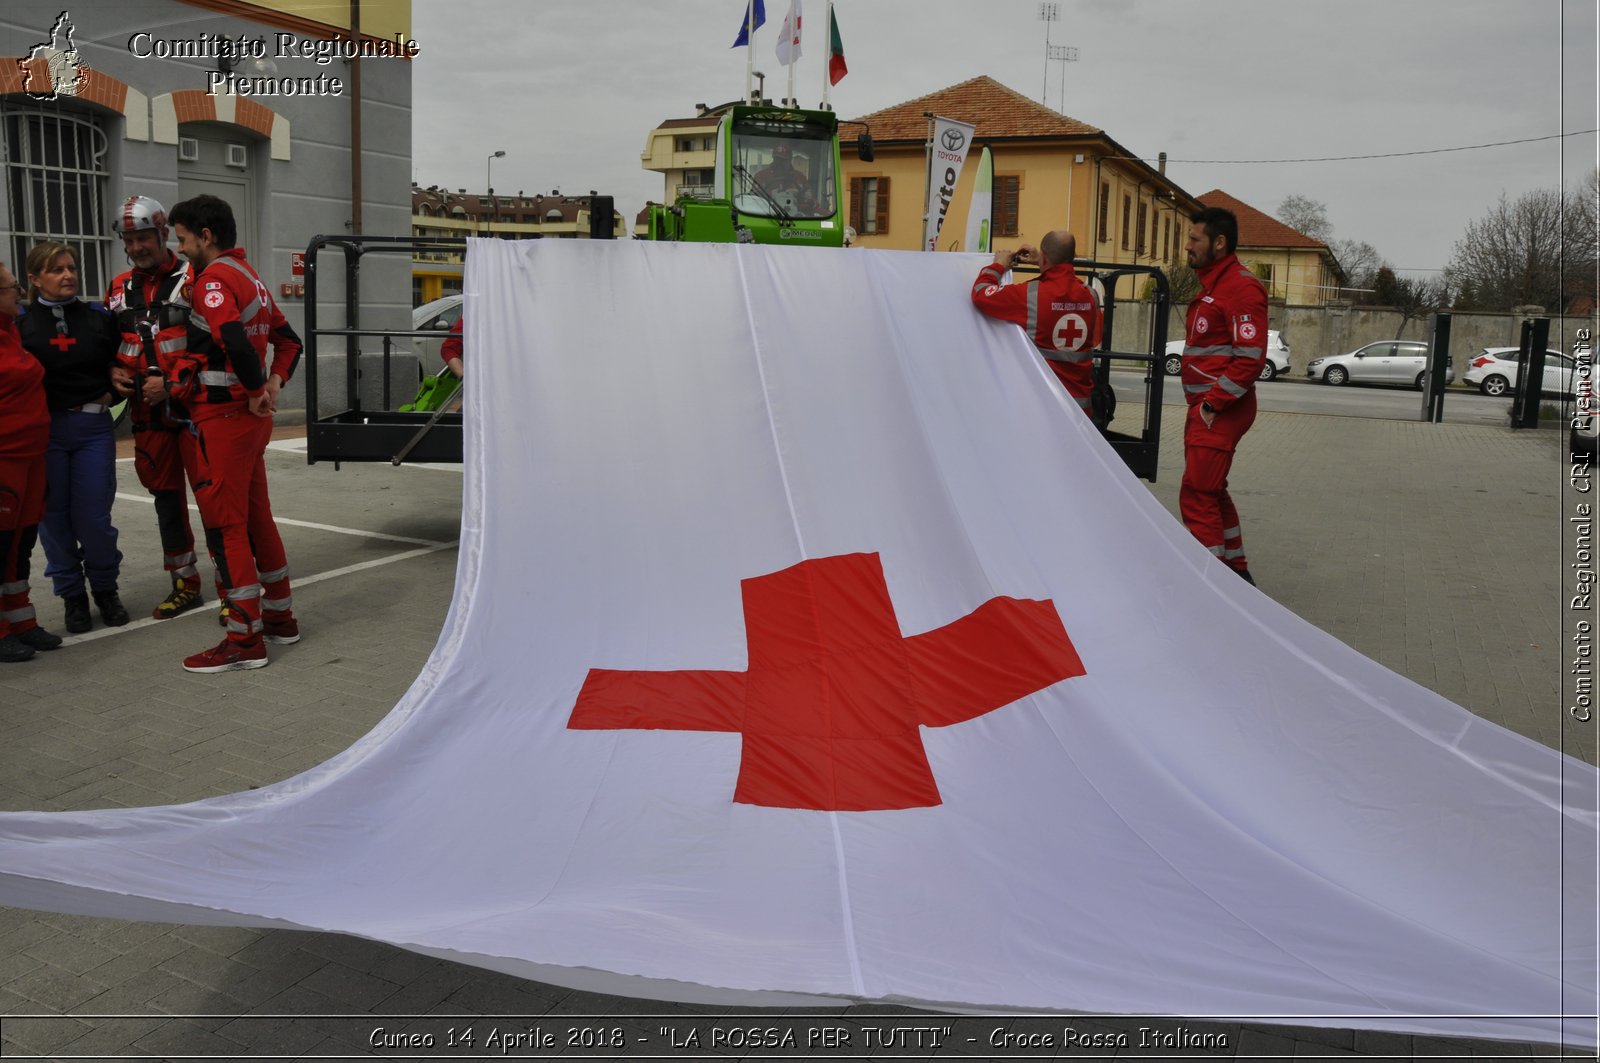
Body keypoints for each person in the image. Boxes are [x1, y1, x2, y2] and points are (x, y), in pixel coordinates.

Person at [165, 194, 302, 672]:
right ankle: (280, 617)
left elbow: (233, 339)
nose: (179, 249)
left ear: (206, 236)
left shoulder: (217, 280)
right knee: (257, 516)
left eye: (182, 239)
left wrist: (254, 388)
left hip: (223, 419)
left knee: (229, 525)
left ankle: (244, 640)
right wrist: (272, 384)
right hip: (247, 422)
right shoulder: (251, 277)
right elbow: (290, 341)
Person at [16, 242, 127, 633]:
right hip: (45, 432)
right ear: (34, 279)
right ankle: (72, 596)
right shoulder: (21, 322)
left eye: (71, 267)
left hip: (93, 428)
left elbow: (122, 360)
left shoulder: (99, 317)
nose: (68, 275)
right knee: (54, 519)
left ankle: (105, 589)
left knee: (94, 518)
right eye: (57, 270)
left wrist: (116, 379)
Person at [106, 195, 207, 620]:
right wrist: (112, 372)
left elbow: (211, 345)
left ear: (163, 234)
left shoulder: (195, 276)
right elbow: (111, 345)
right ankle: (184, 583)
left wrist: (172, 382)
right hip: (148, 418)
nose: (135, 248)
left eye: (143, 238)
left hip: (194, 410)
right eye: (129, 240)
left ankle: (235, 584)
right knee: (166, 502)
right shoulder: (118, 287)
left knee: (214, 499)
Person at [1178, 206, 1268, 585]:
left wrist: (1213, 404)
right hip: (1209, 408)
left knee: (1197, 496)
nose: (1187, 246)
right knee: (1212, 492)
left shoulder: (1241, 287)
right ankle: (1236, 572)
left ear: (1219, 242)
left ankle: (1211, 585)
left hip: (1219, 410)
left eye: (1194, 239)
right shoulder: (1215, 285)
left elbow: (1250, 358)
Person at [0, 260, 63, 662]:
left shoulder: (11, 333)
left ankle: (21, 620)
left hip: (31, 455)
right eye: (11, 288)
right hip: (4, 457)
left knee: (20, 544)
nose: (19, 293)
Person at [970, 230, 1103, 419]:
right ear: (1072, 257)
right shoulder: (1091, 296)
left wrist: (998, 265)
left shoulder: (1031, 295)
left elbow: (980, 293)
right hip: (1080, 409)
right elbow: (1096, 337)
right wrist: (1044, 261)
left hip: (1044, 406)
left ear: (1045, 257)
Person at [753, 142, 812, 208]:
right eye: (777, 159)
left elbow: (810, 200)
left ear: (790, 159)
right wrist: (773, 193)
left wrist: (801, 195)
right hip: (766, 213)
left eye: (783, 160)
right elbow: (754, 197)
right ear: (773, 158)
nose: (779, 163)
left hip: (795, 214)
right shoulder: (761, 176)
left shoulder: (800, 177)